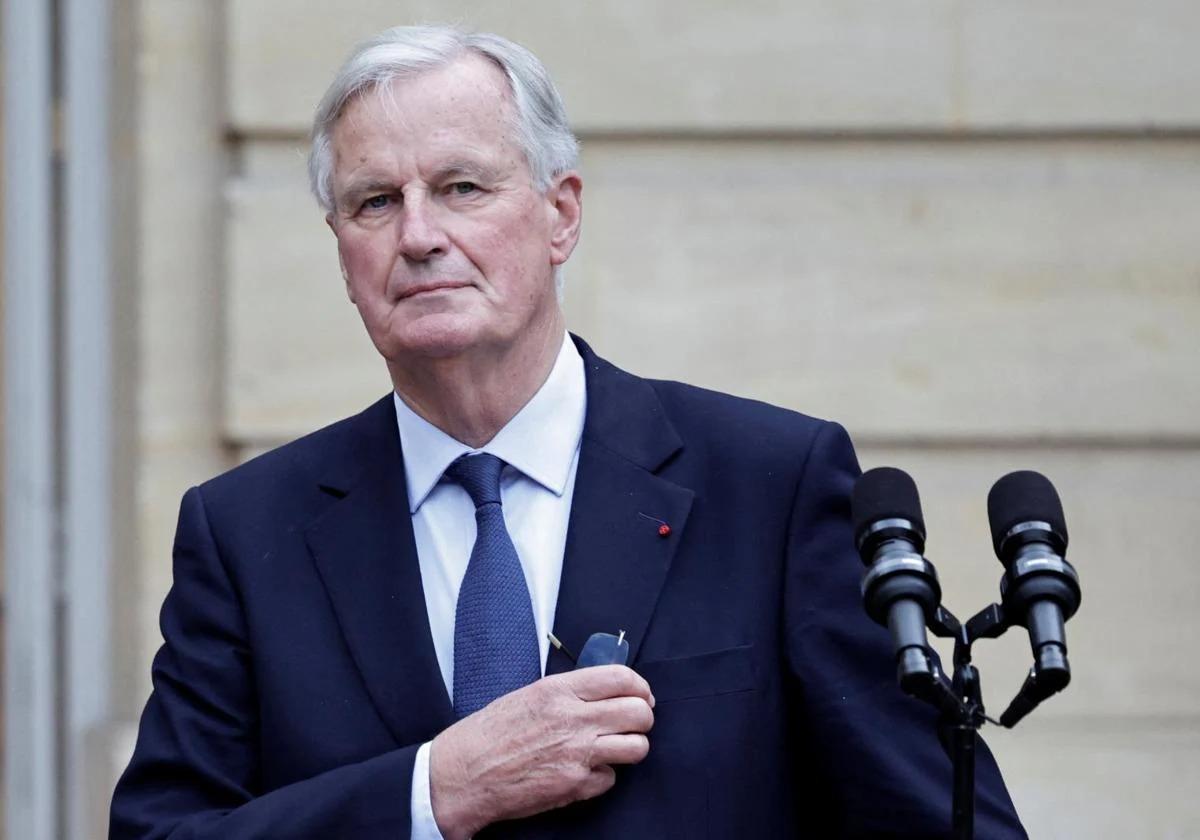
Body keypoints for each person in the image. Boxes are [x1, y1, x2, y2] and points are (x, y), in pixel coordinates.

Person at [110, 24, 1026, 839]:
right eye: (375, 202)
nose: (419, 234)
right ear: (342, 251)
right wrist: (433, 794)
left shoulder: (769, 484)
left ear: (561, 215)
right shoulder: (246, 531)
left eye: (462, 186)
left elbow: (939, 820)